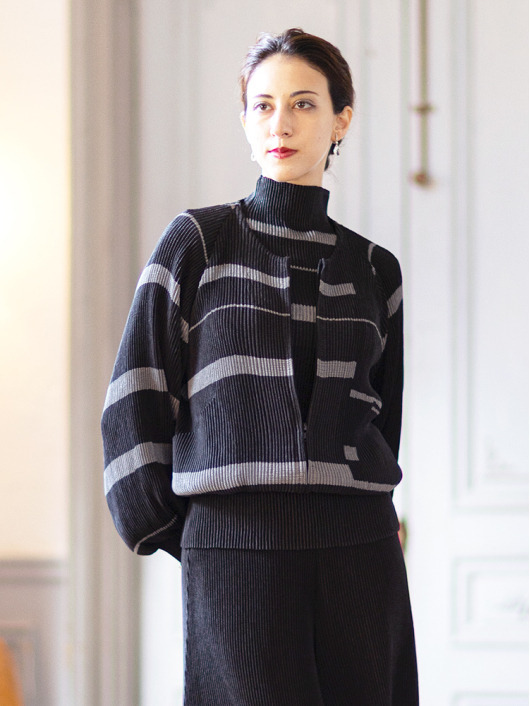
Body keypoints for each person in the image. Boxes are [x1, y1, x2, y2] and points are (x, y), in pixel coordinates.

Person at [102, 27, 419, 706]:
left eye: (304, 104)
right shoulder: (196, 242)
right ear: (245, 120)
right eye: (264, 105)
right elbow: (136, 395)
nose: (282, 123)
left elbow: (384, 419)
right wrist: (192, 534)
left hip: (360, 550)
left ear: (341, 120)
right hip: (235, 550)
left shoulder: (374, 269)